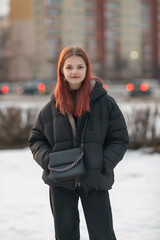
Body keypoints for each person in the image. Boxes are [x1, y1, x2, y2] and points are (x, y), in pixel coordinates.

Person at [28, 46, 129, 240]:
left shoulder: (105, 104)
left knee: (103, 235)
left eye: (80, 67)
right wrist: (49, 160)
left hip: (95, 180)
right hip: (61, 183)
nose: (75, 71)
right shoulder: (51, 107)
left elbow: (119, 138)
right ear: (62, 71)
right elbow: (36, 138)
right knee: (65, 235)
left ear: (87, 69)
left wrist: (103, 162)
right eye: (69, 67)